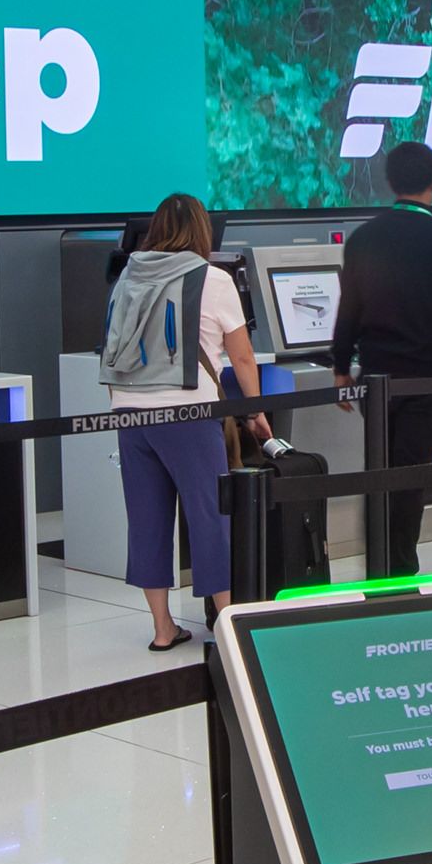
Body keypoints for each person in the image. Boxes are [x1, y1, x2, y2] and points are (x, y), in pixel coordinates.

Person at [327, 138, 432, 580]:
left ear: (391, 181)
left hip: (374, 380)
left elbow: (349, 311)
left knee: (378, 471)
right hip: (424, 383)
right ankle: (400, 571)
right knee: (409, 477)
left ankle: (378, 566)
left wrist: (342, 369)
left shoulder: (363, 238)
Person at [110, 194, 263, 651]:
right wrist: (254, 411)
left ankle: (162, 629)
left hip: (129, 410)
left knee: (146, 518)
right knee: (208, 515)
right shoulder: (213, 278)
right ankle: (228, 622)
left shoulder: (128, 276)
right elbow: (242, 356)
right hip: (188, 413)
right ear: (203, 232)